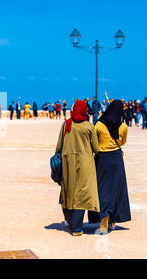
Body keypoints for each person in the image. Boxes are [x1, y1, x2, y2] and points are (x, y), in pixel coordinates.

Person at [55, 100, 100, 236]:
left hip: (67, 161)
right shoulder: (89, 126)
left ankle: (70, 221)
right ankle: (77, 228)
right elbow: (96, 148)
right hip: (85, 163)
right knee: (83, 193)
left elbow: (58, 146)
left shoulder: (66, 124)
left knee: (68, 190)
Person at [89, 100, 131, 233]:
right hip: (117, 160)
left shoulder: (99, 125)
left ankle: (103, 219)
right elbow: (122, 142)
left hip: (102, 159)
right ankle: (113, 220)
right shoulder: (123, 126)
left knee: (102, 189)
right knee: (117, 190)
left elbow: (93, 142)